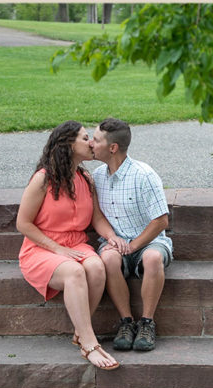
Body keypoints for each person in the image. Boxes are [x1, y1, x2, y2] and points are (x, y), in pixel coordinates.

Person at [16, 121, 119, 370]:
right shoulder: (43, 179)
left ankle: (79, 332)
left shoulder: (85, 178)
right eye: (86, 139)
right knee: (74, 271)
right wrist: (57, 249)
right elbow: (23, 223)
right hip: (41, 248)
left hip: (76, 244)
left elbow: (96, 218)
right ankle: (89, 343)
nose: (92, 143)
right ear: (68, 145)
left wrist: (112, 236)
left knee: (96, 267)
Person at [89, 118, 172, 352]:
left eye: (96, 140)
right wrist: (112, 238)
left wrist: (134, 245)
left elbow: (161, 221)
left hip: (149, 242)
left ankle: (147, 323)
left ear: (112, 148)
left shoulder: (144, 175)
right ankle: (126, 322)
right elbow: (97, 216)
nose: (91, 144)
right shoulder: (96, 177)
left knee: (153, 258)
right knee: (108, 258)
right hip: (116, 244)